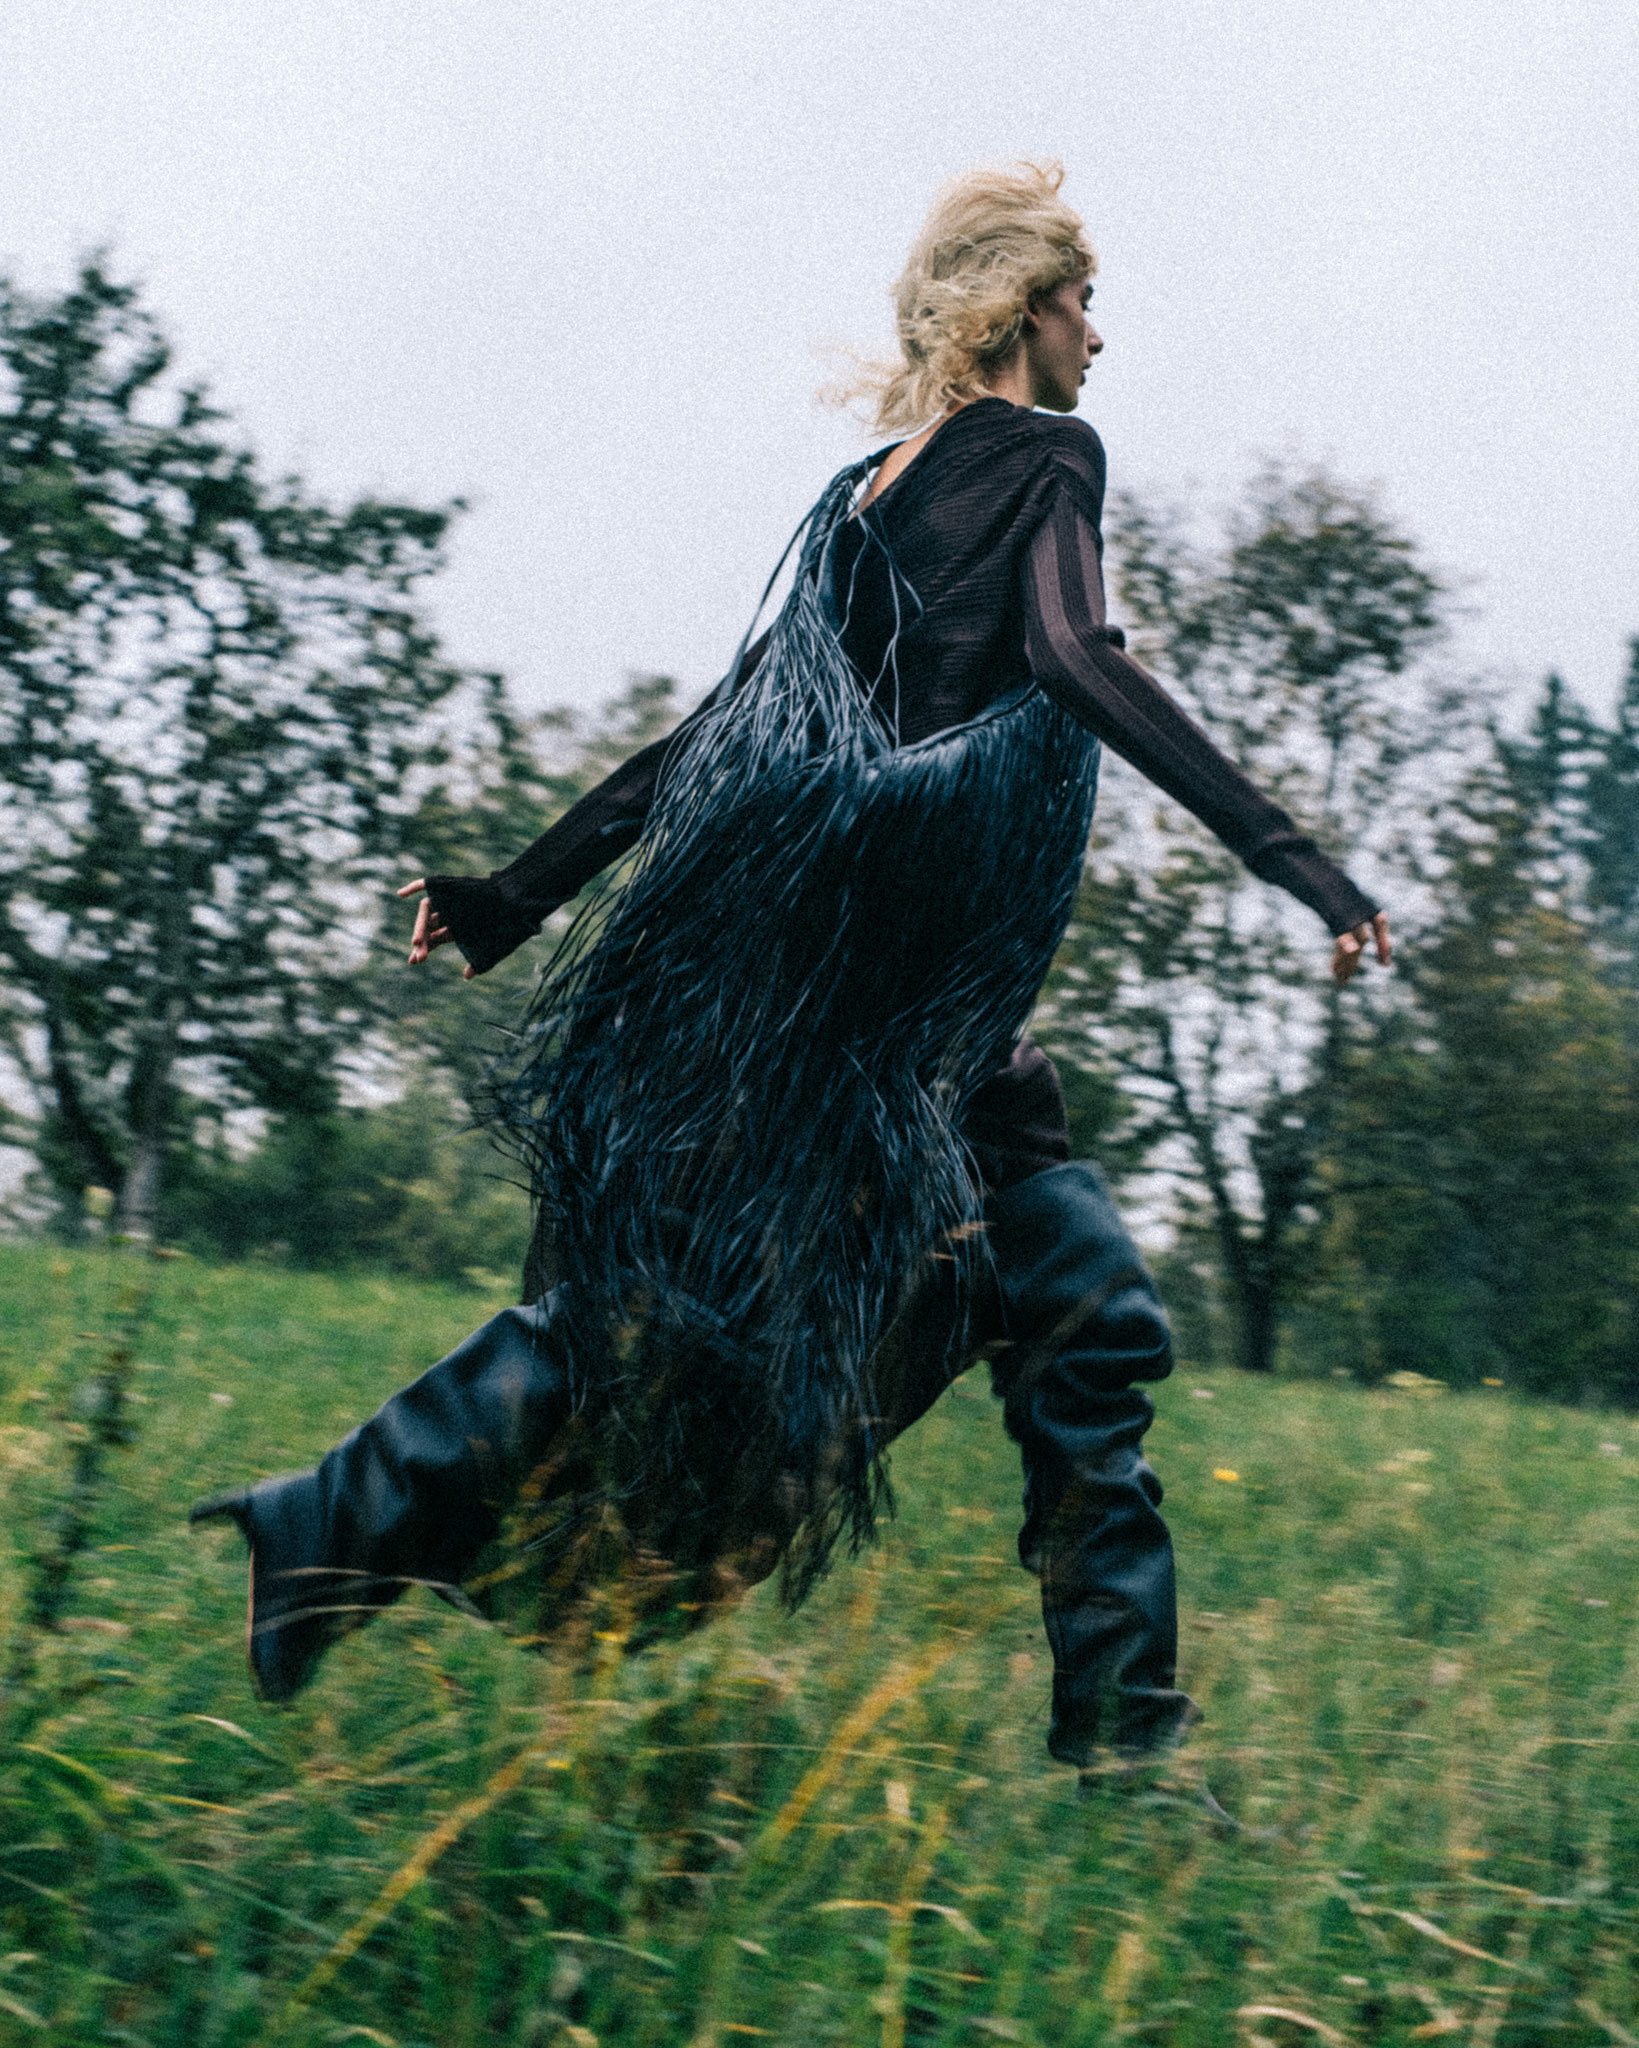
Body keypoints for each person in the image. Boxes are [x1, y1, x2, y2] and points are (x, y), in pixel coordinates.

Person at [194, 162, 1389, 1778]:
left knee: (1079, 1313)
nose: (1099, 338)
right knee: (720, 1339)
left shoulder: (859, 503)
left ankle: (1128, 1750)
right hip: (891, 1051)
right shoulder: (1050, 456)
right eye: (1082, 303)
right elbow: (1074, 653)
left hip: (885, 1031)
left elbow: (716, 741)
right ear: (1018, 310)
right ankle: (335, 1517)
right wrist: (1297, 860)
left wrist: (514, 896)